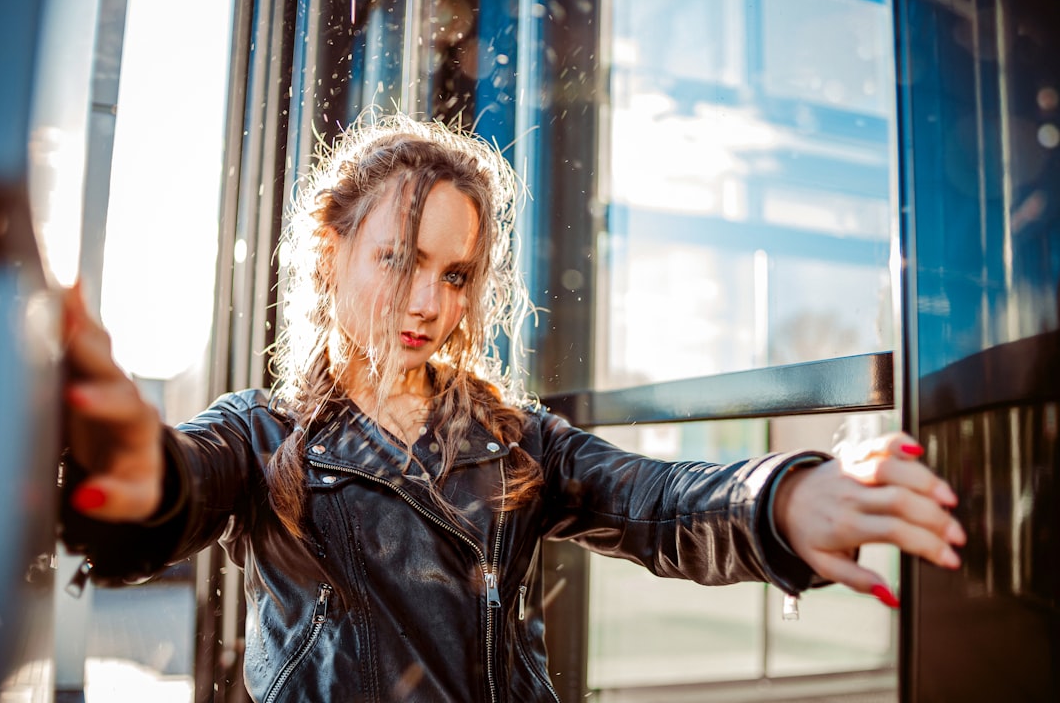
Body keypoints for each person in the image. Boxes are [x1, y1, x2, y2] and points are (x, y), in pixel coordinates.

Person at [59, 112, 965, 702]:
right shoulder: (262, 434)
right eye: (398, 260)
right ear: (330, 252)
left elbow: (660, 499)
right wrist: (135, 466)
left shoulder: (514, 438)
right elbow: (180, 481)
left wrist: (784, 500)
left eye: (454, 275)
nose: (428, 303)